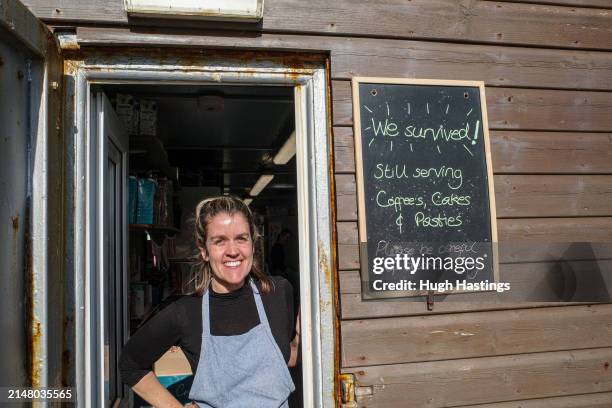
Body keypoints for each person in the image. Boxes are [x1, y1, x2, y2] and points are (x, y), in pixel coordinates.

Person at [120, 196, 298, 407]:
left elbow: (287, 357)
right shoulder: (185, 313)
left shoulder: (278, 292)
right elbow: (130, 365)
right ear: (204, 250)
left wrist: (307, 331)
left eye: (241, 238)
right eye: (220, 241)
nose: (233, 250)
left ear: (252, 243)